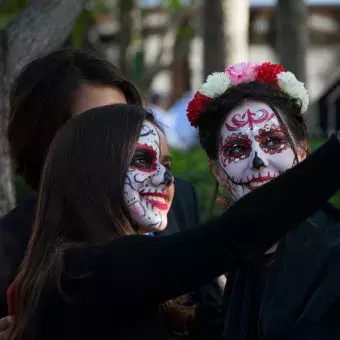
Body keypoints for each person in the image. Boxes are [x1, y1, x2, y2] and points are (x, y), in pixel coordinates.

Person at [6, 102, 340, 340]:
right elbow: (228, 237)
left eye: (166, 162)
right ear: (91, 173)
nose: (166, 178)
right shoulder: (84, 270)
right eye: (142, 160)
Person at [0, 48, 222, 339]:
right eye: (94, 129)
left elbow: (210, 312)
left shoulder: (176, 198)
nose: (115, 140)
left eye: (125, 123)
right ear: (48, 143)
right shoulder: (10, 243)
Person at [186, 61, 340, 339]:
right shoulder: (238, 254)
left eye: (272, 141)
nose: (258, 160)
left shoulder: (334, 251)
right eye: (237, 148)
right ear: (218, 172)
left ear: (303, 152)